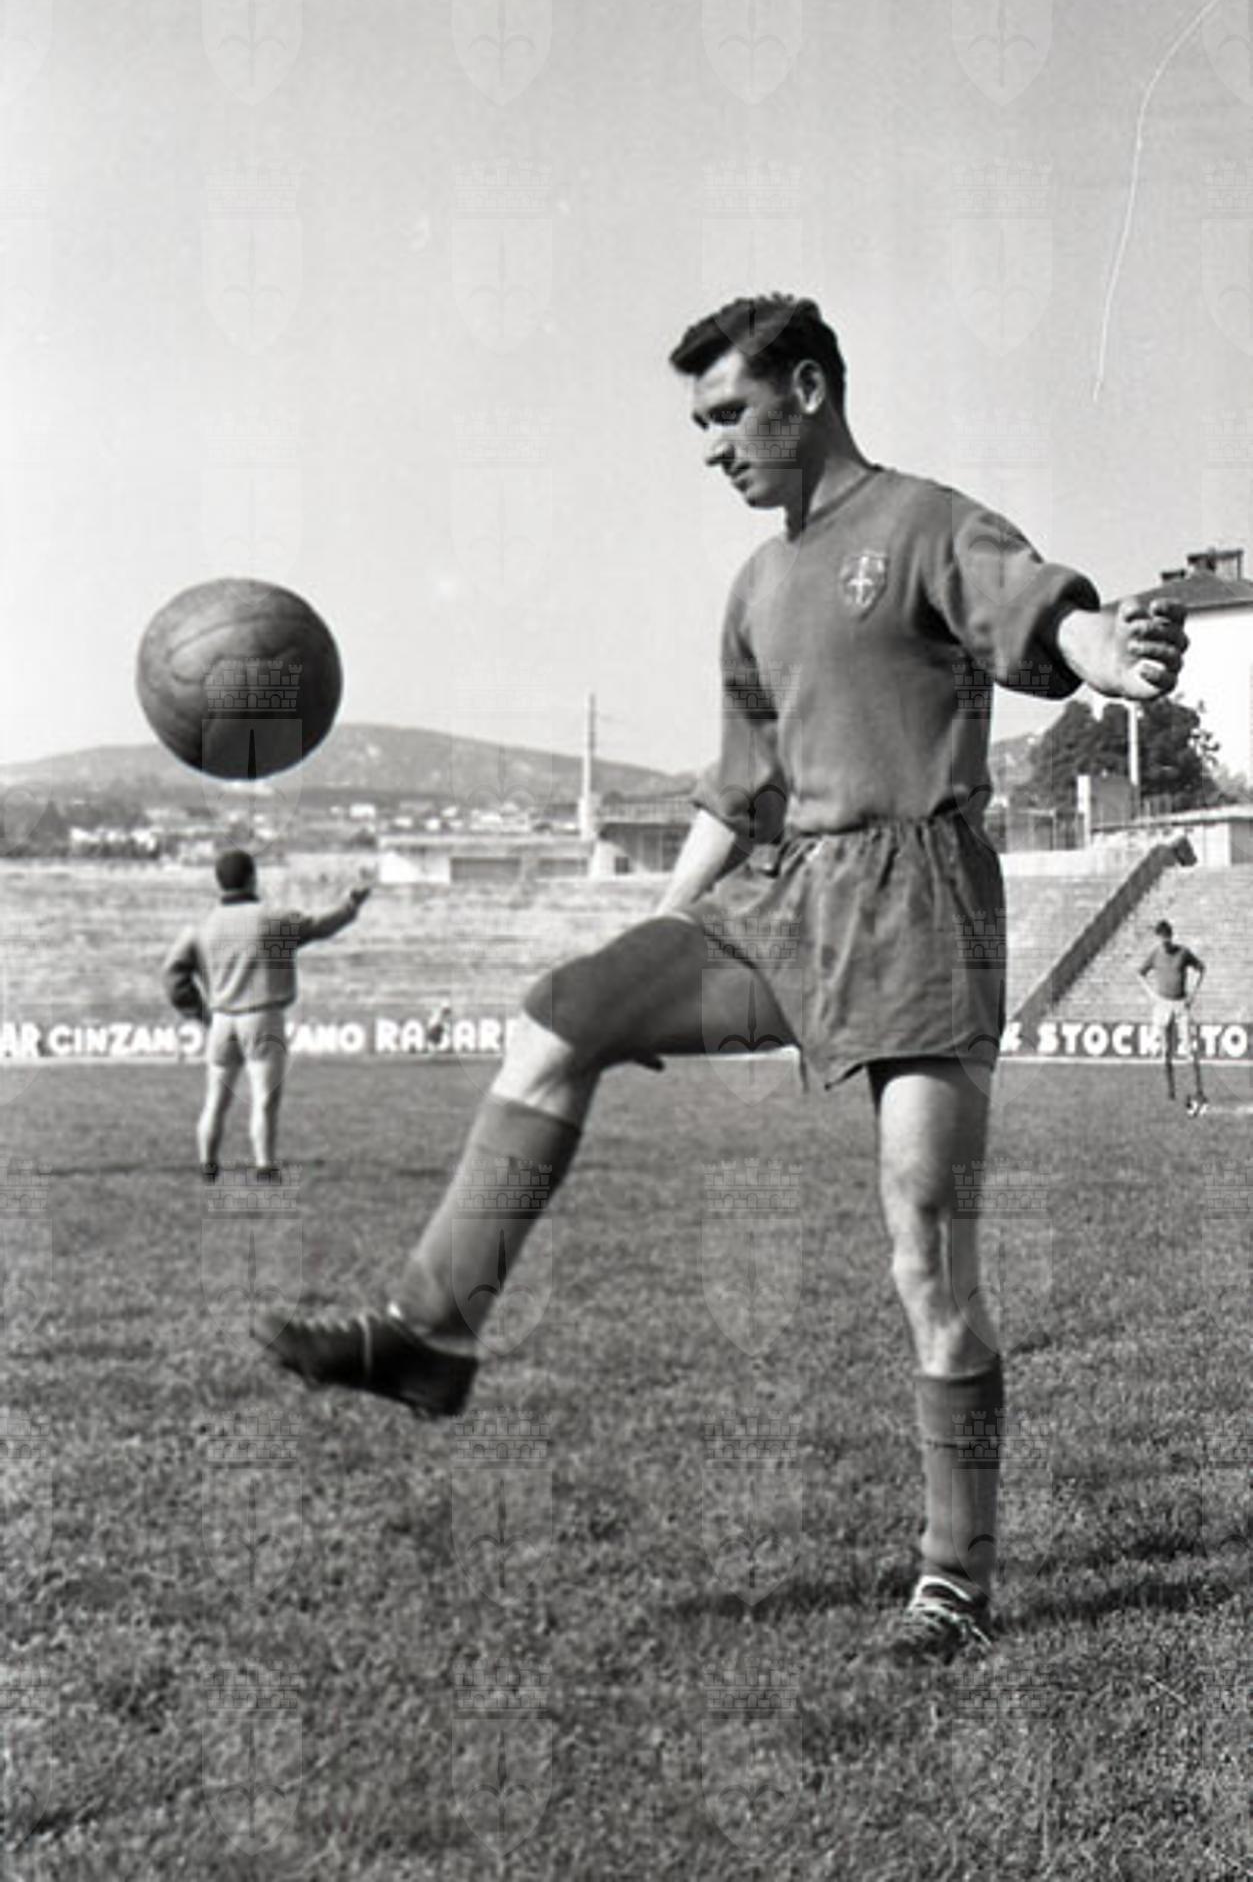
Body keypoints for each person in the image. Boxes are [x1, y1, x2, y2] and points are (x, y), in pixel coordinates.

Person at [256, 294, 1186, 1661]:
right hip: (789, 900)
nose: (711, 447)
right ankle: (430, 1333)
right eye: (700, 424)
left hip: (921, 906)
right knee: (563, 1014)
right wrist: (651, 940)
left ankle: (954, 1579)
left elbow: (1048, 616)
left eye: (728, 414)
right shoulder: (754, 587)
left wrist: (1122, 659)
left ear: (805, 390)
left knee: (924, 1247)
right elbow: (742, 790)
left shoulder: (926, 522)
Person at [163, 849, 370, 1180]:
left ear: (220, 883)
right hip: (262, 1016)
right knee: (264, 1098)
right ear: (252, 878)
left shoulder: (201, 928)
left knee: (215, 1100)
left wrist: (199, 1012)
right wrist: (350, 906)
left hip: (221, 1018)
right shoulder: (273, 921)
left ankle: (208, 1165)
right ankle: (264, 1166)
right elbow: (319, 927)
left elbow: (173, 976)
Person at [1138, 918, 1206, 1108]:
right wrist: (1150, 994)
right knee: (1166, 1050)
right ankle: (1170, 1091)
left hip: (1181, 1005)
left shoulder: (1183, 953)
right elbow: (1140, 973)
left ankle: (1198, 1091)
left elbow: (1201, 969)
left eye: (1166, 937)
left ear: (1171, 936)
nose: (1164, 941)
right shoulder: (1155, 954)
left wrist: (1193, 993)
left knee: (1189, 1049)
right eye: (1161, 938)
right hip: (1162, 1005)